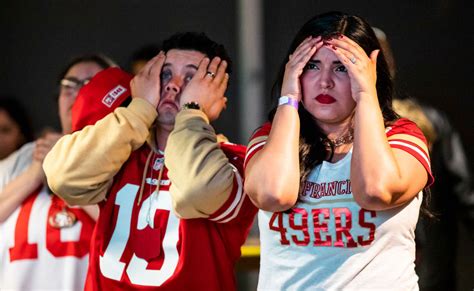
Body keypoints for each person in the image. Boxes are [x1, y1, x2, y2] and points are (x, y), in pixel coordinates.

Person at [43, 32, 257, 290]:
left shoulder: (237, 161)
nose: (173, 85)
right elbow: (64, 179)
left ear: (218, 101)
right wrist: (140, 108)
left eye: (191, 78)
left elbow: (195, 190)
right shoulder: (122, 148)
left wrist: (192, 112)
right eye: (165, 73)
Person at [244, 11, 434, 289]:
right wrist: (289, 99)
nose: (325, 81)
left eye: (342, 67)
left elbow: (375, 190)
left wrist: (367, 95)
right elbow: (273, 194)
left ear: (370, 74)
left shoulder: (401, 135)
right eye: (311, 65)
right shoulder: (271, 138)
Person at [0, 54, 115, 290]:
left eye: (91, 83)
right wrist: (35, 172)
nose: (77, 92)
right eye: (68, 85)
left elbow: (130, 232)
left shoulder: (125, 155)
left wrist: (66, 165)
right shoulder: (26, 156)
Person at [375, 27, 474, 290]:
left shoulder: (426, 122)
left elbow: (465, 194)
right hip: (419, 264)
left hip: (411, 263)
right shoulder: (428, 120)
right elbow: (466, 195)